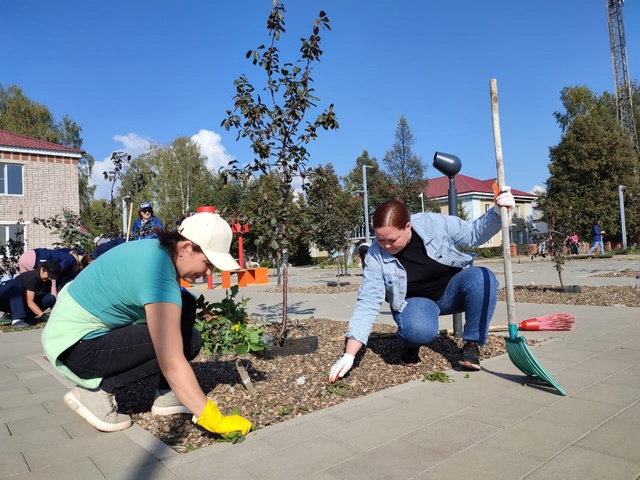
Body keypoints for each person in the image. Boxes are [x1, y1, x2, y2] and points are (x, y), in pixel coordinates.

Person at [41, 212, 252, 436]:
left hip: (77, 334)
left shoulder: (156, 252)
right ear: (186, 248)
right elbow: (170, 360)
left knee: (186, 304)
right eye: (207, 263)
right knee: (185, 342)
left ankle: (167, 393)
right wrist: (212, 417)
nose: (209, 272)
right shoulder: (158, 275)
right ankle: (95, 392)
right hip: (76, 347)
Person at [329, 187, 515, 382]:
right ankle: (411, 342)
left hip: (451, 291)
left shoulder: (431, 223)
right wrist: (349, 355)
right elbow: (367, 303)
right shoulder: (376, 255)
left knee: (483, 278)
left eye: (392, 240)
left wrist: (496, 212)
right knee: (418, 331)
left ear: (408, 227)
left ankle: (471, 345)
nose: (386, 246)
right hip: (415, 302)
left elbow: (473, 234)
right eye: (380, 239)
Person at [0, 260, 60, 328]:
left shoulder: (47, 280)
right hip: (4, 297)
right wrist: (43, 316)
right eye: (49, 275)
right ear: (42, 269)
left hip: (20, 303)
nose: (49, 278)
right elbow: (30, 302)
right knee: (17, 286)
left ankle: (24, 317)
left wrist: (57, 316)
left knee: (50, 298)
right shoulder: (31, 278)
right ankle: (17, 320)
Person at [18, 248, 87, 297]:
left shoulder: (66, 255)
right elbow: (53, 272)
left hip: (26, 255)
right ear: (79, 265)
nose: (75, 272)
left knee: (22, 283)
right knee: (34, 283)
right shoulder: (71, 260)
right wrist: (54, 296)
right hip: (36, 258)